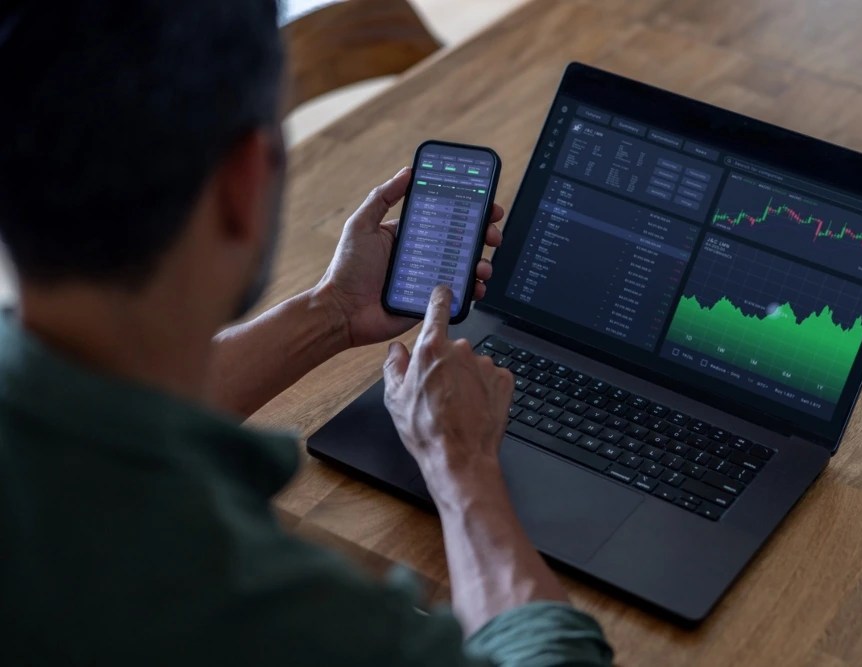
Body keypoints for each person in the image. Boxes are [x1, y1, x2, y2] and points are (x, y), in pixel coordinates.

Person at [0, 1, 614, 665]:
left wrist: (333, 311)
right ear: (245, 180)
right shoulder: (270, 613)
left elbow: (106, 414)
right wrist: (461, 463)